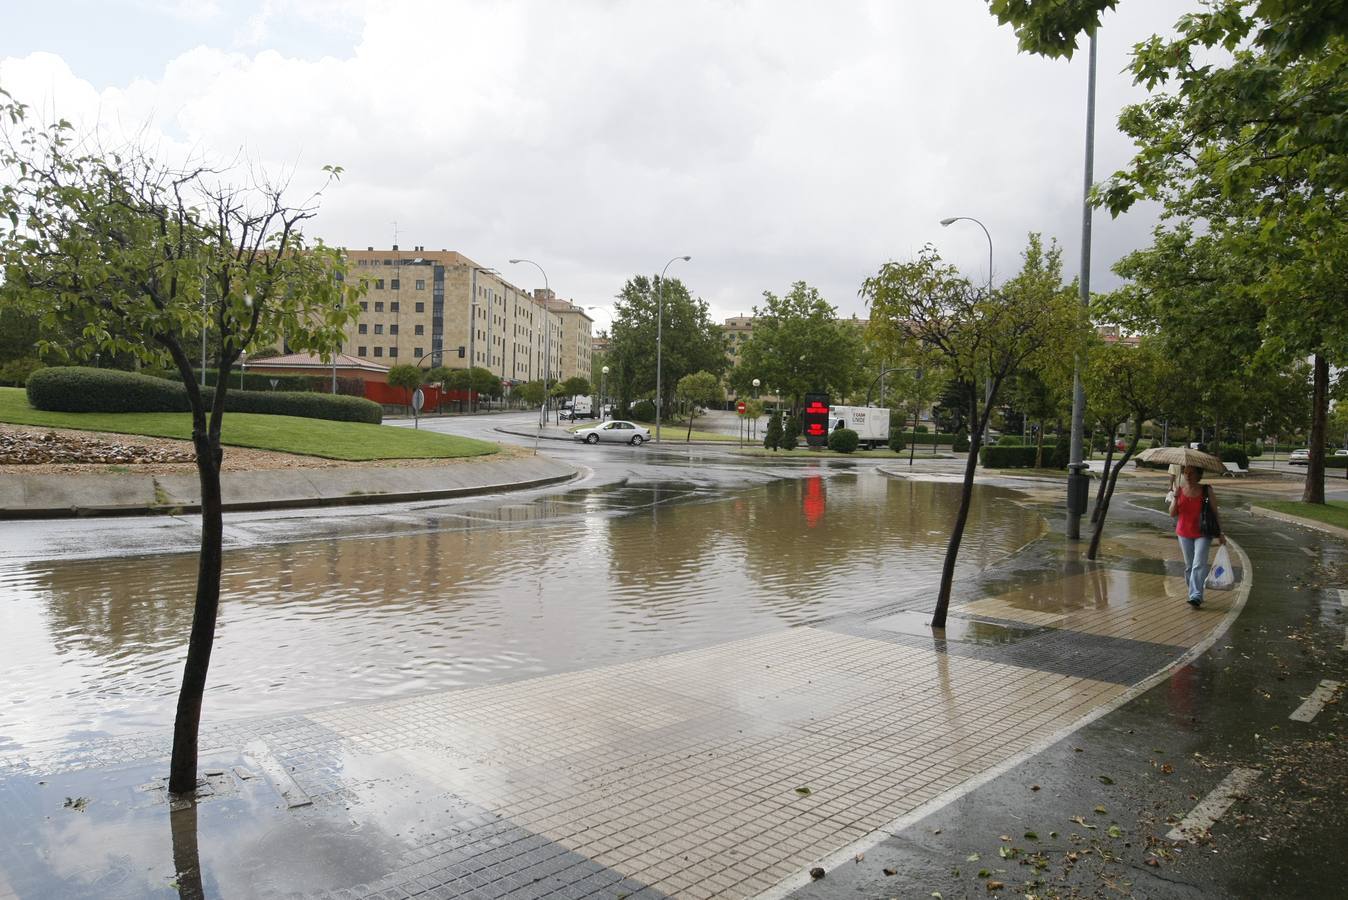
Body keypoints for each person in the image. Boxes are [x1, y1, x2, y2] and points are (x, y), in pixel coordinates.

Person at [1167, 465, 1226, 607]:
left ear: (1198, 475)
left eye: (1191, 473)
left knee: (1198, 563)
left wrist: (1221, 533)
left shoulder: (1206, 490)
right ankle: (1193, 590)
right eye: (1185, 472)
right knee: (1189, 565)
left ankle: (1196, 595)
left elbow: (1215, 512)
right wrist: (1175, 498)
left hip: (1203, 532)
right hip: (1184, 532)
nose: (1188, 475)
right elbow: (1172, 513)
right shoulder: (1179, 490)